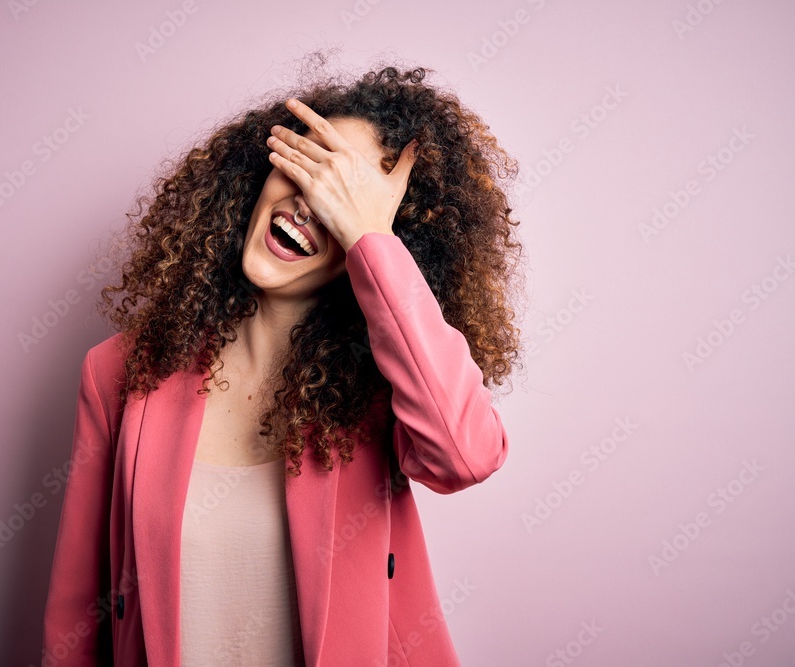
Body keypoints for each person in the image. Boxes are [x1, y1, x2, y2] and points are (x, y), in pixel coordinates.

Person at [41, 62, 524, 666]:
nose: (309, 206)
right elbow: (77, 615)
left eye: (342, 199)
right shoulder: (118, 373)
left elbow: (466, 455)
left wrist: (370, 239)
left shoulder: (387, 390)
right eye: (309, 167)